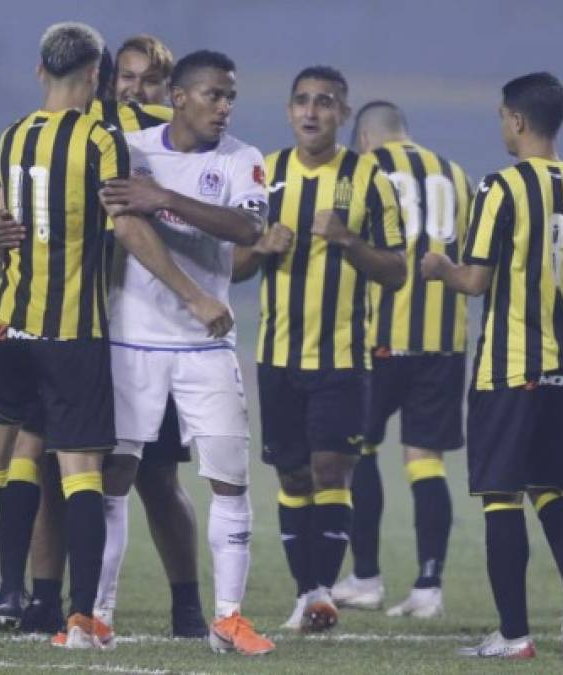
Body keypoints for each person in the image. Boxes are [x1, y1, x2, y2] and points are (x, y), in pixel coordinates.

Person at [0, 23, 231, 649]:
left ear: (39, 70)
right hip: (75, 333)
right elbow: (127, 228)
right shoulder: (103, 138)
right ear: (100, 78)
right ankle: (77, 617)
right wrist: (196, 293)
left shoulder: (12, 136)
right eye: (121, 78)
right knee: (81, 479)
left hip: (4, 325)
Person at [421, 72, 563, 659]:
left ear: (517, 120)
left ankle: (513, 636)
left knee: (502, 494)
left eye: (501, 117)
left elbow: (475, 281)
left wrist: (438, 268)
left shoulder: (499, 188)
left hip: (509, 367)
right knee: (553, 487)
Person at [94, 49, 275, 656]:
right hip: (131, 337)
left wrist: (163, 200)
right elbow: (123, 221)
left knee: (229, 479)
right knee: (115, 476)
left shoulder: (243, 158)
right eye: (214, 95)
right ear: (179, 95)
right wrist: (146, 200)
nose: (224, 107)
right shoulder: (133, 150)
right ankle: (97, 616)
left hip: (205, 343)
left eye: (230, 97)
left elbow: (246, 230)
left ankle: (229, 618)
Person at [232, 67, 406, 632]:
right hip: (278, 358)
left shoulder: (369, 180)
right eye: (303, 102)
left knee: (332, 470)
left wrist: (349, 241)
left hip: (343, 360)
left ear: (343, 114)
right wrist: (261, 247)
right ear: (289, 111)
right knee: (292, 478)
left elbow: (398, 271)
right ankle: (306, 593)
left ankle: (322, 592)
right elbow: (230, 269)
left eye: (325, 103)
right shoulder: (266, 175)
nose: (312, 112)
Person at [330, 101, 472, 618]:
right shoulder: (456, 175)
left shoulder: (363, 170)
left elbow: (346, 246)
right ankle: (428, 587)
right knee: (425, 461)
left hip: (377, 337)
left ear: (364, 137)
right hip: (443, 340)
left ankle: (365, 576)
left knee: (359, 451)